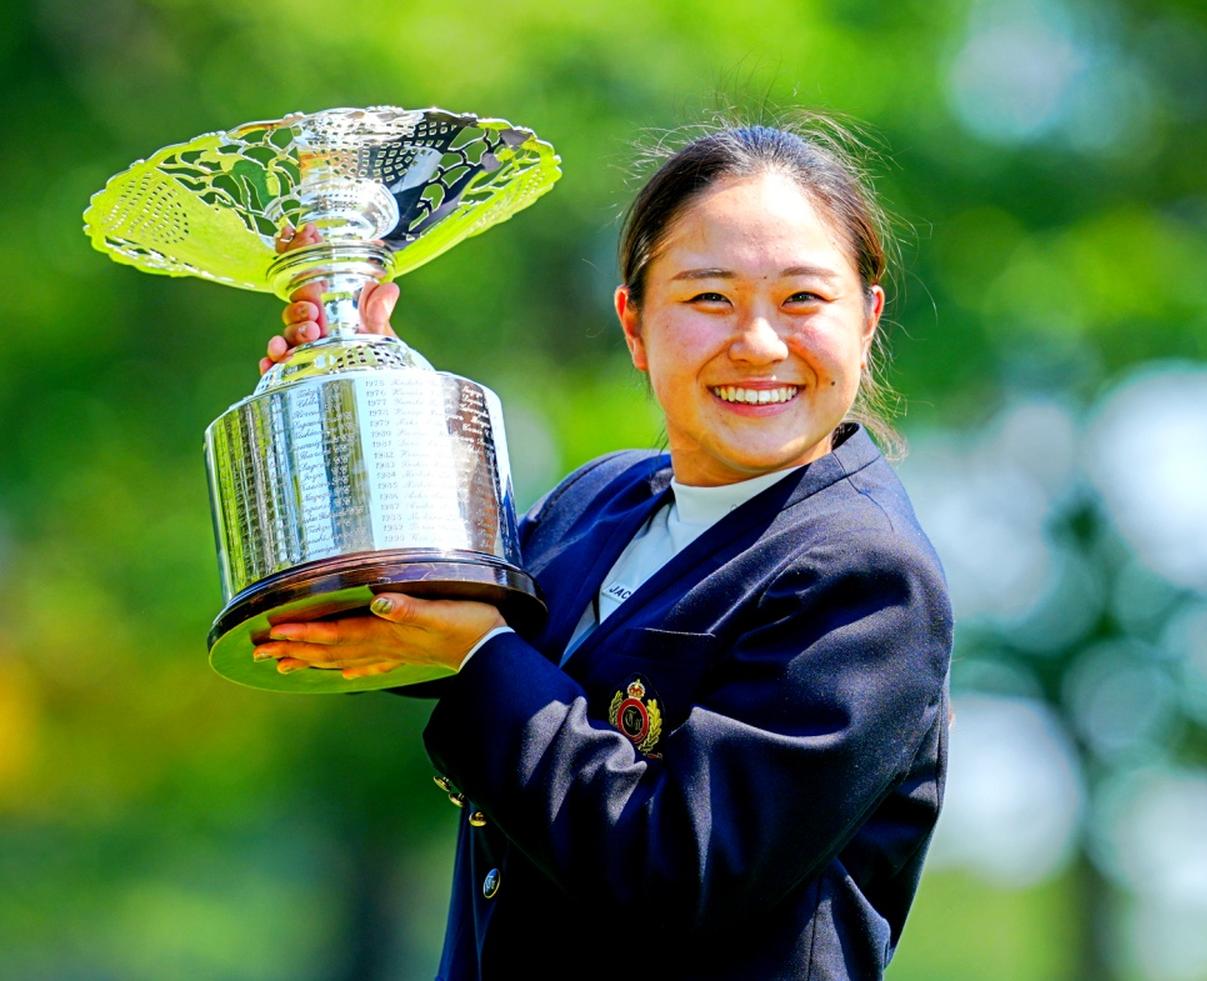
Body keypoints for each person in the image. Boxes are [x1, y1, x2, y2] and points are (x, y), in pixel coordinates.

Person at [253, 118, 954, 980]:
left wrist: (475, 655)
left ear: (868, 319)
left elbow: (679, 867)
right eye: (709, 298)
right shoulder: (600, 497)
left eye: (803, 299)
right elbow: (448, 615)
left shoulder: (866, 576)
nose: (760, 342)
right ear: (634, 324)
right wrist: (355, 381)